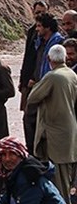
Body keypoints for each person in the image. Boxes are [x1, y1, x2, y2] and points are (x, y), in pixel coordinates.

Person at [26, 44, 77, 204]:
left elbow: (32, 97)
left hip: (55, 134)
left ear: (49, 60)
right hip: (68, 132)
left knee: (59, 179)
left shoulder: (53, 76)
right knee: (66, 177)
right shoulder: (71, 74)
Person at [24, 12, 64, 153]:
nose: (37, 29)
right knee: (30, 120)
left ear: (48, 28)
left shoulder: (58, 43)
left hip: (49, 88)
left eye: (40, 26)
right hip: (38, 84)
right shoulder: (40, 43)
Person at [19, 0, 49, 148]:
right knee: (27, 117)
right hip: (29, 81)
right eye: (37, 13)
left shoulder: (51, 37)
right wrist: (23, 79)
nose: (39, 15)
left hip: (38, 82)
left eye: (42, 13)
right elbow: (28, 57)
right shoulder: (32, 31)